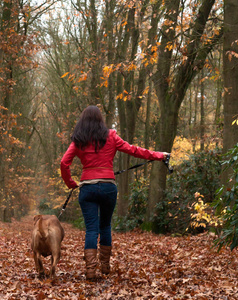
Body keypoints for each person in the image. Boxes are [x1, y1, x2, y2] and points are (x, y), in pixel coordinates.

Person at [60, 105, 169, 280]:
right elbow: (133, 150)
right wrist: (159, 155)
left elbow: (64, 163)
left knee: (91, 230)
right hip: (108, 187)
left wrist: (71, 183)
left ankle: (90, 270)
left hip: (87, 187)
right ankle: (104, 267)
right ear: (100, 119)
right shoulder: (110, 136)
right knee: (105, 226)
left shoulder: (78, 140)